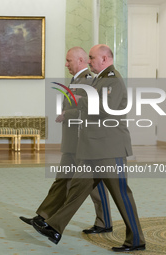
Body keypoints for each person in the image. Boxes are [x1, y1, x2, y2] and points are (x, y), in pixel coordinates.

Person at [32, 45, 146, 252]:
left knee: (121, 194)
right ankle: (54, 227)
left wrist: (80, 100)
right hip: (94, 148)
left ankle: (136, 240)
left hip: (109, 149)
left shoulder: (112, 78)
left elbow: (104, 109)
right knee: (77, 189)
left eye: (92, 58)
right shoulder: (100, 79)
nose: (89, 61)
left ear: (104, 58)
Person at [20, 47, 112, 235]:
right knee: (61, 180)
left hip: (82, 140)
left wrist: (67, 114)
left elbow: (91, 109)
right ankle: (43, 216)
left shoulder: (89, 80)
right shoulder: (76, 79)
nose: (66, 64)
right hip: (71, 140)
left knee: (94, 186)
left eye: (68, 60)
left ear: (80, 60)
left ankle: (104, 222)